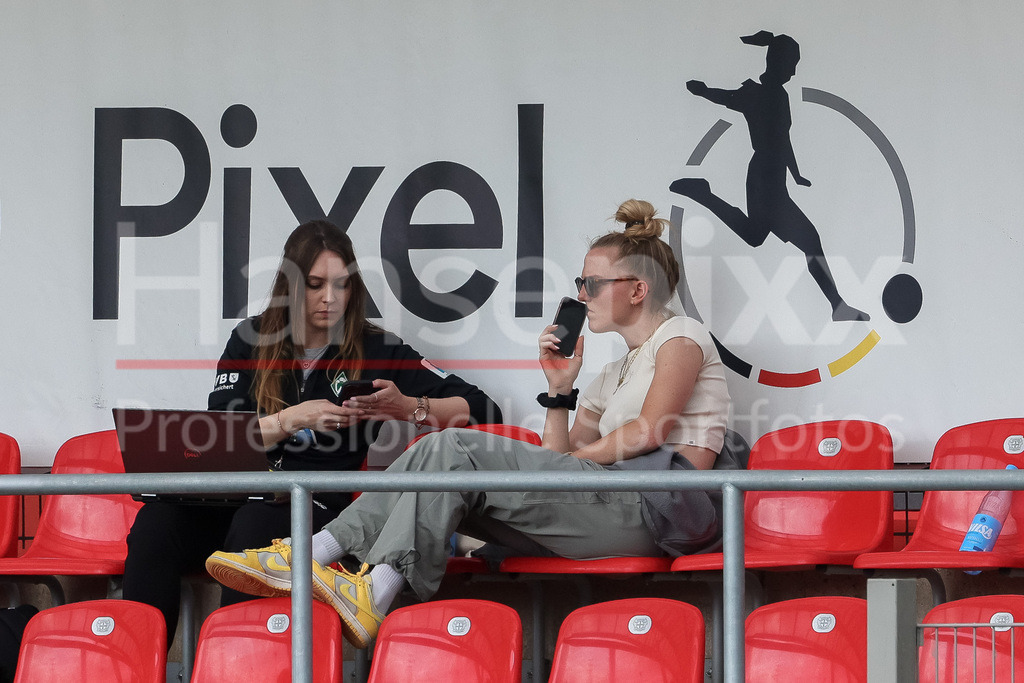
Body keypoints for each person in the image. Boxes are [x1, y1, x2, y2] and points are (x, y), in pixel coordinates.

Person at [204, 200, 733, 649]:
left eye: (591, 283)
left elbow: (648, 432)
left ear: (637, 289)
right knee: (433, 459)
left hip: (657, 511)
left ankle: (324, 559)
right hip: (601, 507)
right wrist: (558, 390)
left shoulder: (681, 335)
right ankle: (358, 581)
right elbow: (558, 455)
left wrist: (572, 462)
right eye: (581, 283)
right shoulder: (611, 371)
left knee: (451, 445)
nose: (580, 296)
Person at [122, 219, 501, 638]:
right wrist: (294, 418)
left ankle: (238, 664)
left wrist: (408, 406)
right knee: (155, 524)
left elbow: (484, 409)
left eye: (341, 285)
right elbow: (224, 436)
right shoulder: (250, 339)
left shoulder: (377, 348)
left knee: (254, 526)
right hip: (235, 496)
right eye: (316, 284)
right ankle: (137, 661)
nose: (330, 298)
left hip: (315, 508)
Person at [670, 30, 869, 322]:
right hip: (764, 175)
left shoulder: (780, 95)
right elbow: (728, 98)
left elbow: (783, 139)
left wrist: (797, 174)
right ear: (777, 61)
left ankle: (703, 193)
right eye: (792, 63)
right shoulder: (759, 94)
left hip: (772, 175)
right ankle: (837, 306)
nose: (794, 70)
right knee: (809, 240)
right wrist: (702, 91)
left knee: (756, 235)